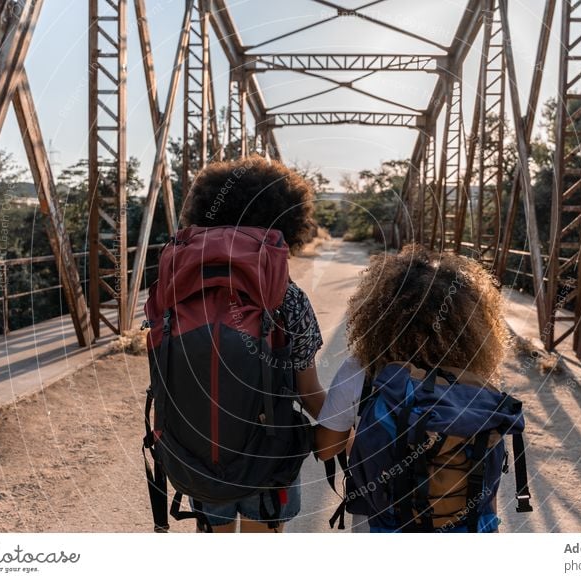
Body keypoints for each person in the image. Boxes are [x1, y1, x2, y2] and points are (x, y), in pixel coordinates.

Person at [315, 244, 510, 532]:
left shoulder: (362, 370)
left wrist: (362, 439)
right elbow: (485, 474)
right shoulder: (475, 380)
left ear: (376, 313)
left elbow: (325, 449)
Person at [179, 155, 326, 532]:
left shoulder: (179, 293)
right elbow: (309, 394)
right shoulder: (288, 299)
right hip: (267, 455)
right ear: (284, 223)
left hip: (199, 451)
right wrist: (351, 426)